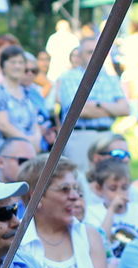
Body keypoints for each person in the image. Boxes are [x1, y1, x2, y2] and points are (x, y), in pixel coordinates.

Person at [53, 37, 130, 169]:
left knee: (110, 178)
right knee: (82, 181)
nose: (95, 55)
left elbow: (125, 109)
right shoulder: (69, 77)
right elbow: (79, 111)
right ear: (80, 55)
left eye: (99, 51)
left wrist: (98, 104)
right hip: (81, 137)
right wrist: (111, 108)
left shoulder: (110, 78)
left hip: (107, 136)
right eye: (90, 52)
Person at [0, 45, 45, 152]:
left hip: (29, 152)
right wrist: (27, 141)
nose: (17, 66)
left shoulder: (28, 92)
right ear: (3, 66)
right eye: (13, 62)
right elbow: (3, 125)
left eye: (21, 62)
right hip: (8, 154)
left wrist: (36, 140)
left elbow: (35, 122)